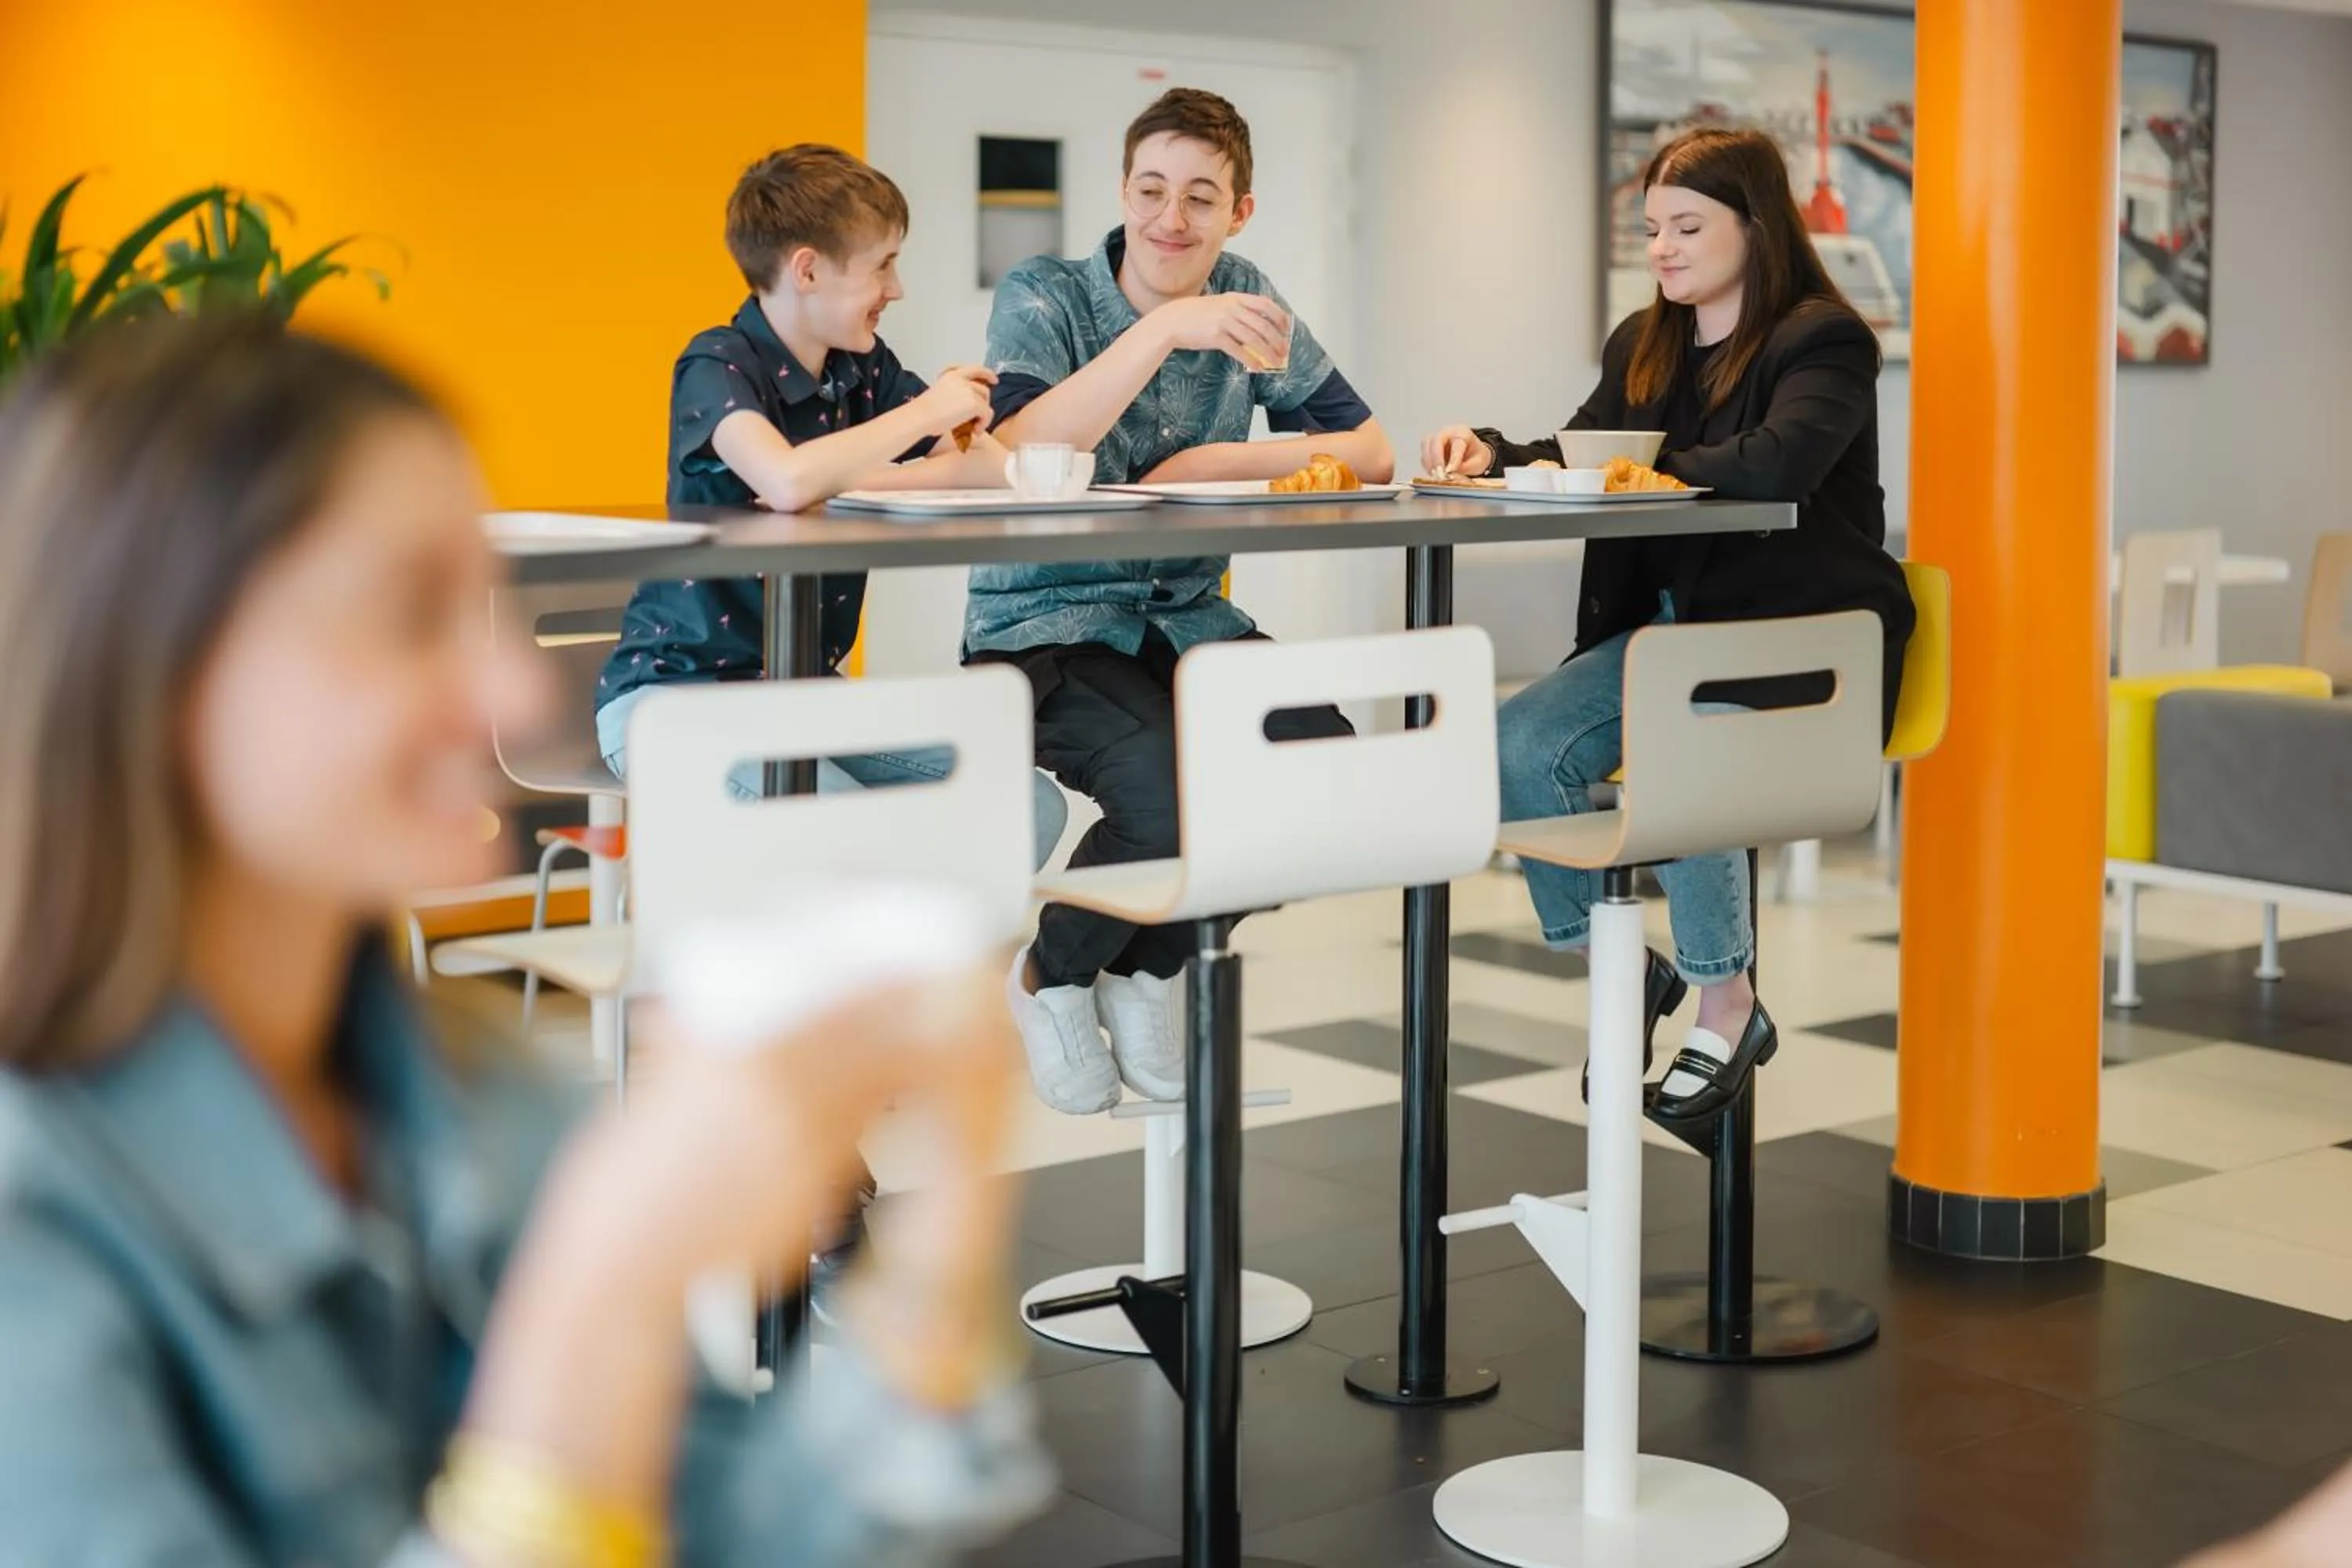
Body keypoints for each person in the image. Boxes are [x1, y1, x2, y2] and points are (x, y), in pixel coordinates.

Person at [0, 316, 1051, 1566]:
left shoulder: (481, 1094)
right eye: (407, 615)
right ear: (155, 672)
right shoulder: (38, 1225)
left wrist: (943, 1246)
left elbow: (741, 1538)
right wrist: (597, 1303)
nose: (509, 693)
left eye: (483, 608)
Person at [1423, 125, 1915, 1120]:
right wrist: (1490, 448)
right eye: (1652, 229)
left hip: (1799, 643)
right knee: (1516, 746)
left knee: (1688, 755)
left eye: (1687, 226)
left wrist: (1632, 470)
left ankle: (1727, 998)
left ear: (1756, 224)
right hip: (1673, 636)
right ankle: (1628, 968)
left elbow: (1776, 464)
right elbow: (1591, 448)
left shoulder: (1824, 339)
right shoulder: (1643, 342)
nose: (1663, 249)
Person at [971, 87, 1392, 1116]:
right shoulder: (1046, 293)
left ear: (1238, 211)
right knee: (1161, 787)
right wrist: (1164, 334)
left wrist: (1217, 457)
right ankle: (1050, 974)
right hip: (1041, 627)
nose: (1172, 218)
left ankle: (1147, 961)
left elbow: (1370, 449)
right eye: (1153, 190)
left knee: (1317, 772)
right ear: (1122, 189)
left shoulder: (1249, 294)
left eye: (1201, 198)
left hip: (1188, 620)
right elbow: (1027, 448)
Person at [593, 143, 1068, 859]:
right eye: (883, 264)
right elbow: (784, 480)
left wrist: (858, 472)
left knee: (1026, 801)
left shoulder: (862, 372)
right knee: (857, 844)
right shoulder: (716, 363)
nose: (897, 288)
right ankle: (881, 960)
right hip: (672, 710)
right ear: (808, 269)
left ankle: (916, 960)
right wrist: (919, 418)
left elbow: (986, 469)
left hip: (804, 696)